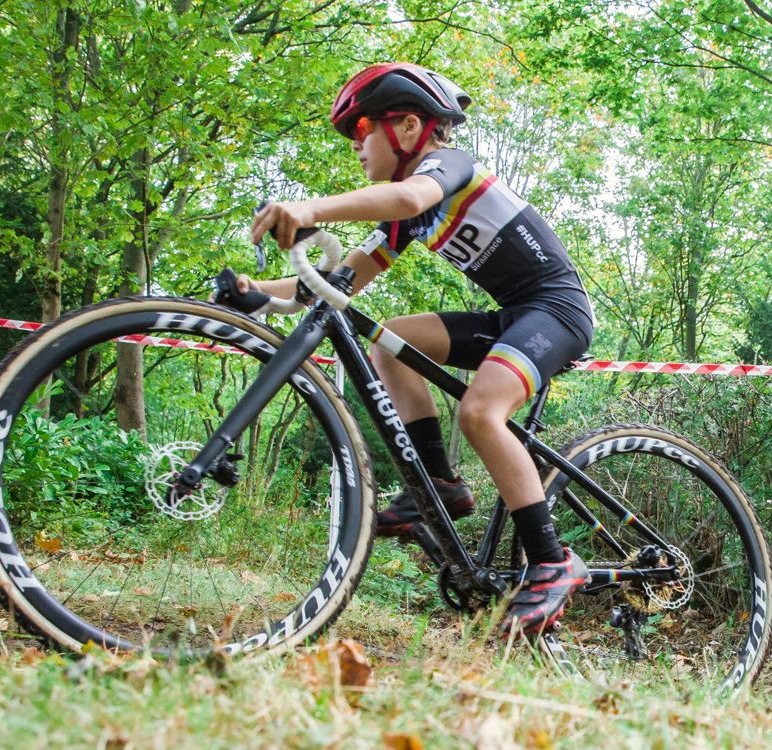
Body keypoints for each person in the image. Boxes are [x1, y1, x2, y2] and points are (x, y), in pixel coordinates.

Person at [231, 63, 595, 635]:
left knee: (479, 411)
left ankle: (552, 562)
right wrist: (256, 293)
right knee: (391, 341)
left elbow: (403, 197)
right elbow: (333, 283)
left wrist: (310, 209)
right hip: (512, 315)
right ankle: (441, 484)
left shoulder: (449, 165)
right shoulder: (409, 216)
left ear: (407, 127)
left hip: (557, 311)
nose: (356, 146)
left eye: (361, 130)